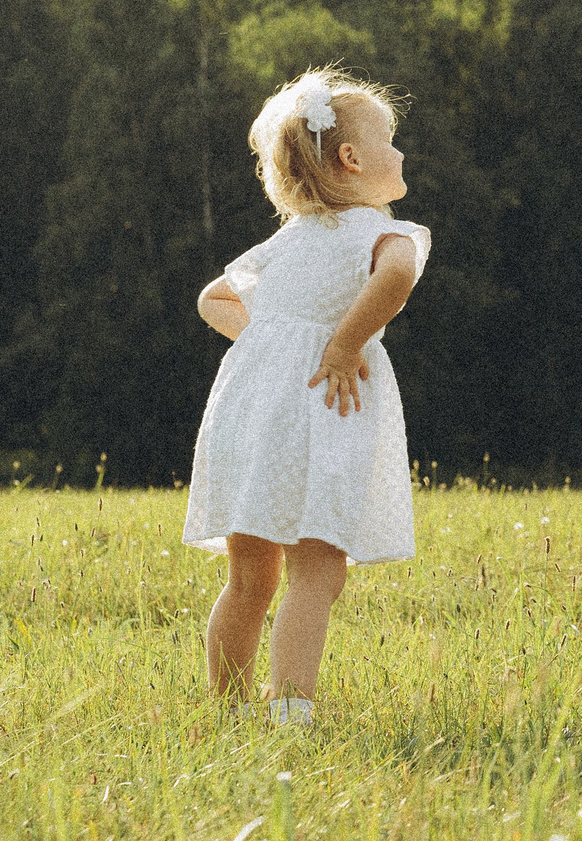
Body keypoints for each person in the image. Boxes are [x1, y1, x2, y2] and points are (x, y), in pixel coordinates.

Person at [183, 69, 431, 725]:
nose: (401, 153)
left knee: (249, 577)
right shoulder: (381, 233)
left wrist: (268, 340)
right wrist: (345, 344)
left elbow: (214, 298)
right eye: (390, 140)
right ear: (351, 158)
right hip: (321, 418)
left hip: (253, 419)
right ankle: (289, 712)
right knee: (316, 572)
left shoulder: (286, 240)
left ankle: (229, 711)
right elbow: (399, 277)